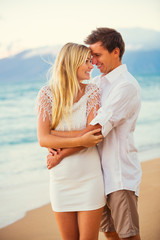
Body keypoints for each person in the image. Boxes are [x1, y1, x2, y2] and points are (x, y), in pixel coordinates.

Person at [47, 28, 142, 240]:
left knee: (128, 236)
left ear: (115, 52)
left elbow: (97, 131)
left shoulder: (125, 85)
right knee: (110, 234)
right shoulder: (97, 84)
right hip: (98, 177)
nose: (94, 62)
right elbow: (83, 127)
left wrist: (60, 152)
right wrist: (51, 133)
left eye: (97, 55)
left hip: (118, 176)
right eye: (91, 57)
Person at [36, 42, 106, 240]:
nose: (91, 65)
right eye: (85, 61)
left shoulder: (92, 92)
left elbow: (94, 133)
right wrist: (81, 138)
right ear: (71, 63)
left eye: (90, 60)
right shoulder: (47, 94)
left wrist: (59, 143)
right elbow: (43, 139)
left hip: (90, 180)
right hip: (61, 181)